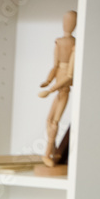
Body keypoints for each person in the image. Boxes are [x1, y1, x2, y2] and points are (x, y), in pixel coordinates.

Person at [39, 10, 76, 167]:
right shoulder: (59, 42)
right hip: (55, 88)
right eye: (65, 21)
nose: (66, 25)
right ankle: (54, 152)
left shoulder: (75, 45)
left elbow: (69, 76)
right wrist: (47, 80)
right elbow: (55, 66)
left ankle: (47, 154)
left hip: (63, 90)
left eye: (70, 22)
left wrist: (51, 89)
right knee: (48, 121)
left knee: (54, 122)